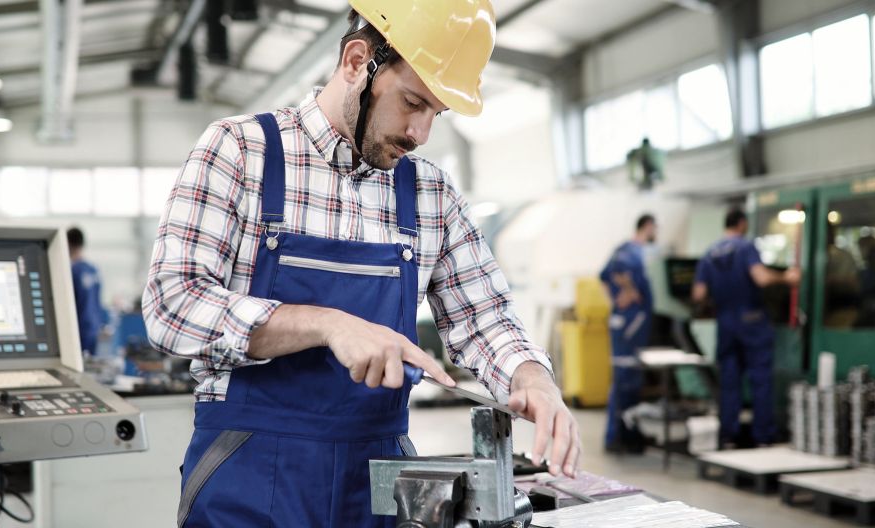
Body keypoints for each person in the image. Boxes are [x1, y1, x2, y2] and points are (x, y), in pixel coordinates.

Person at [142, 1, 580, 526]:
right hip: (247, 474)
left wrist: (532, 377)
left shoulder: (430, 193)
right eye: (412, 102)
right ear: (356, 62)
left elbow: (484, 315)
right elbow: (172, 305)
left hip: (379, 486)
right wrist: (328, 325)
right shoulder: (240, 151)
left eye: (436, 113)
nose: (420, 133)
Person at [692, 209, 799, 447]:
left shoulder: (709, 253)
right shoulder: (746, 247)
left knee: (729, 381)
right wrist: (787, 278)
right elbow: (761, 278)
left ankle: (728, 435)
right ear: (742, 224)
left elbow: (698, 294)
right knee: (760, 379)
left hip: (725, 324)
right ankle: (763, 436)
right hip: (752, 321)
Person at [599, 214, 656, 453]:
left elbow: (604, 276)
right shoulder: (629, 251)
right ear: (648, 226)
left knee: (631, 382)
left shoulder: (631, 251)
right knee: (624, 382)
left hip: (632, 323)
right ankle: (616, 437)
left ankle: (628, 434)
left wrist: (616, 298)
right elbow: (616, 274)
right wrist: (629, 293)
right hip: (629, 325)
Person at [67, 227, 104, 356]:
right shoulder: (93, 270)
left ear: (68, 244)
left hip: (78, 331)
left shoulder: (73, 271)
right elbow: (98, 301)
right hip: (93, 328)